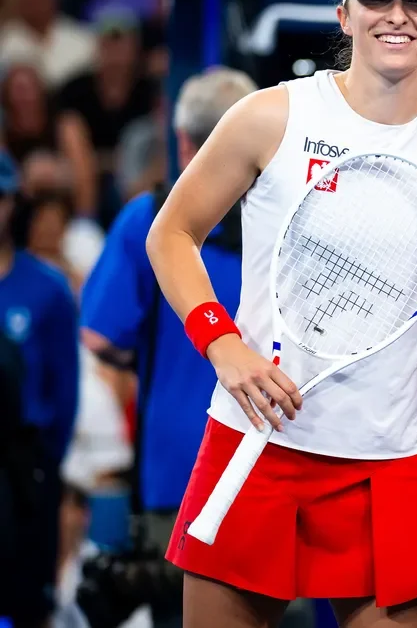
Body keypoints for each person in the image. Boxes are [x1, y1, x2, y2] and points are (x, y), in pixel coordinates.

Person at [147, 0, 417, 628]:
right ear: (345, 16)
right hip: (256, 445)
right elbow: (171, 234)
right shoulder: (269, 117)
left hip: (388, 464)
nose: (396, 14)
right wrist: (223, 344)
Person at [77, 67, 256, 628]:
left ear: (182, 141)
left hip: (175, 472)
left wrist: (160, 356)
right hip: (266, 464)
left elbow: (99, 335)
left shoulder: (148, 218)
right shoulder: (284, 219)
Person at [0, 150, 80, 626]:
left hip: (25, 468)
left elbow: (64, 391)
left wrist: (44, 467)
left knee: (27, 602)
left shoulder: (47, 288)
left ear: (13, 202)